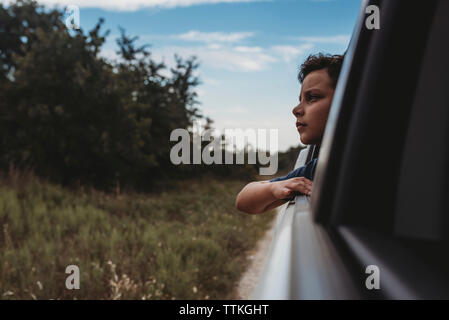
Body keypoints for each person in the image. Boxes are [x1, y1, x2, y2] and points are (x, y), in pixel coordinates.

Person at [235, 53, 344, 214]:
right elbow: (243, 200)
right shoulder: (319, 168)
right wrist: (274, 188)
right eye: (300, 99)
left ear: (345, 101)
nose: (296, 110)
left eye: (312, 97)